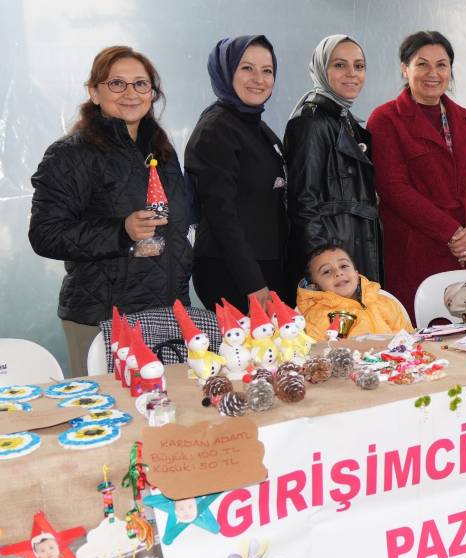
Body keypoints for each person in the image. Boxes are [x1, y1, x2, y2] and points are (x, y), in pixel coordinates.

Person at [29, 46, 193, 377]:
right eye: (117, 83)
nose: (130, 93)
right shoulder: (69, 155)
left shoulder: (161, 151)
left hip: (165, 312)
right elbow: (45, 234)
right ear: (94, 91)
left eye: (141, 84)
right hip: (101, 317)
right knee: (109, 419)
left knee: (164, 418)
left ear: (152, 93)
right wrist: (121, 232)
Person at [368, 31, 466, 325]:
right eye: (422, 64)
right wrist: (454, 234)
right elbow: (393, 188)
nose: (433, 73)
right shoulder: (385, 119)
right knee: (422, 340)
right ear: (405, 69)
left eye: (441, 65)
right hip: (416, 251)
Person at [189, 35, 289, 312]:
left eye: (267, 70)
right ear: (225, 71)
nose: (259, 78)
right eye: (246, 68)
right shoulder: (216, 129)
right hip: (232, 273)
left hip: (263, 264)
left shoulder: (255, 125)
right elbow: (222, 215)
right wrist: (252, 284)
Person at [284, 35, 381, 289]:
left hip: (349, 255)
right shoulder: (311, 123)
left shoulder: (344, 119)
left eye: (359, 66)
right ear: (321, 69)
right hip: (333, 265)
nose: (352, 73)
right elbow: (304, 204)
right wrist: (326, 269)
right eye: (339, 65)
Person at [295, 244, 412, 341]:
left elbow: (409, 339)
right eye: (326, 271)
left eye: (344, 266)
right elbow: (318, 357)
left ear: (356, 273)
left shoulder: (385, 303)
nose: (338, 273)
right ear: (315, 286)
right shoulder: (316, 317)